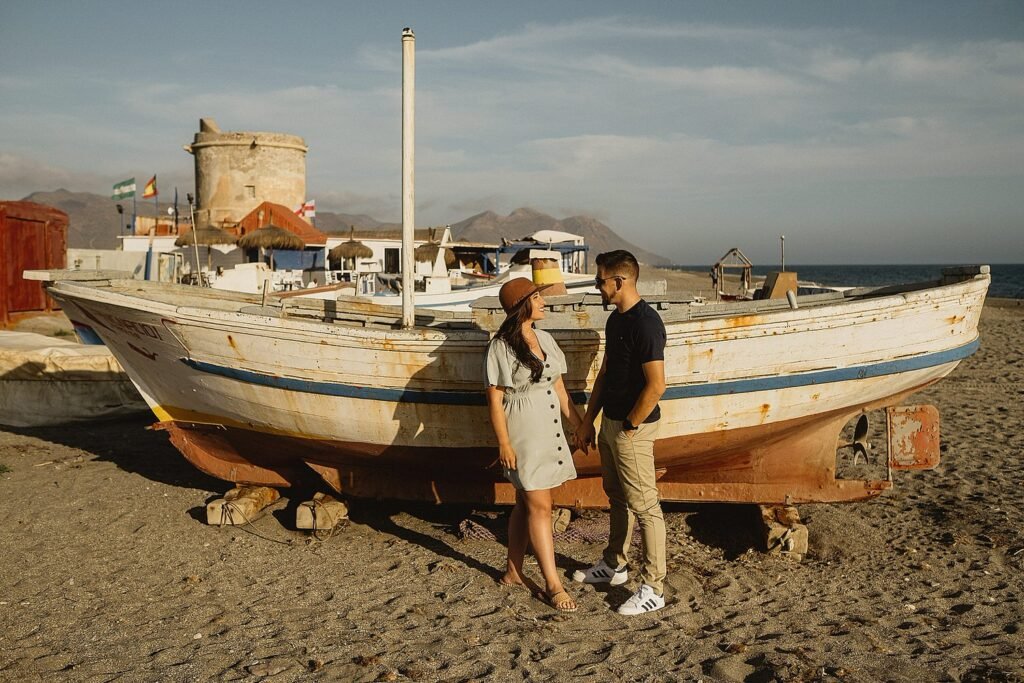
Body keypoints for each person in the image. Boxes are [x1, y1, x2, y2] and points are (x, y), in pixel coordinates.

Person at [572, 250, 668, 615]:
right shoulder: (616, 322)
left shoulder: (646, 323)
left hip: (632, 428)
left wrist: (630, 426)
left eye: (600, 280)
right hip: (611, 423)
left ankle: (654, 588)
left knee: (646, 506)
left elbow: (656, 385)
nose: (597, 287)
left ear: (619, 281)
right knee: (617, 496)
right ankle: (615, 565)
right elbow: (607, 375)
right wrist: (588, 421)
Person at [485, 277, 583, 613]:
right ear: (521, 306)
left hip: (549, 429)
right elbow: (495, 401)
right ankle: (553, 584)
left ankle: (513, 571)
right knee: (540, 506)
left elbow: (559, 388)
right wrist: (504, 444)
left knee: (526, 503)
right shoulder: (501, 347)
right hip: (523, 432)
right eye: (537, 297)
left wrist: (580, 424)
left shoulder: (545, 338)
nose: (543, 302)